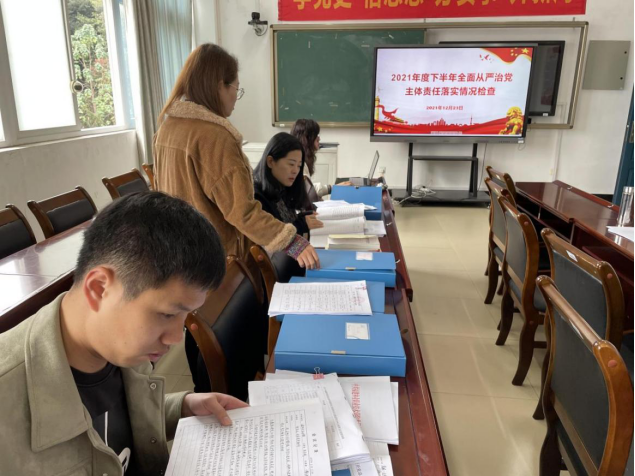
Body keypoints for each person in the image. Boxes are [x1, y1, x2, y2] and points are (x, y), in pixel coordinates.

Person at [0, 192, 248, 475]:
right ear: (99, 289)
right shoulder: (7, 402)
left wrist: (183, 407)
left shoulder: (120, 346)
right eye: (168, 314)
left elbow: (113, 420)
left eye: (185, 316)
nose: (175, 338)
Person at [153, 44, 320, 272]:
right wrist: (292, 242)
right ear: (219, 86)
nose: (235, 97)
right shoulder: (215, 136)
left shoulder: (167, 127)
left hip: (179, 255)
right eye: (236, 88)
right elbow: (243, 212)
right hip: (219, 261)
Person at [253, 132, 324, 236]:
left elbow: (285, 221)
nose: (295, 171)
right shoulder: (256, 196)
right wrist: (301, 224)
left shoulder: (281, 184)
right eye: (291, 164)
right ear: (270, 161)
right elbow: (271, 236)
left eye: (299, 166)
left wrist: (302, 217)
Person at [290, 118, 351, 205]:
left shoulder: (302, 159)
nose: (319, 138)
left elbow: (307, 189)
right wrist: (332, 188)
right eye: (316, 135)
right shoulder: (299, 162)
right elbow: (306, 191)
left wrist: (330, 189)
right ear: (307, 138)